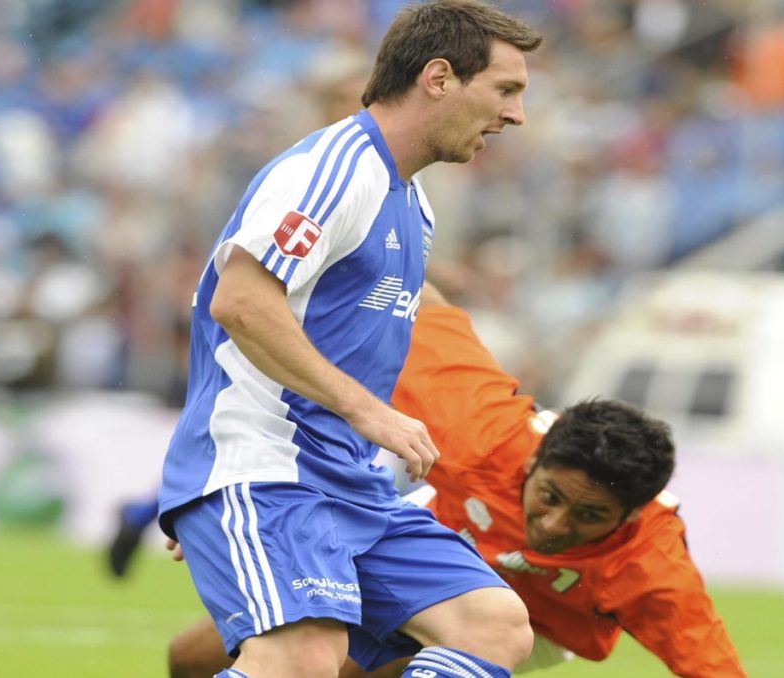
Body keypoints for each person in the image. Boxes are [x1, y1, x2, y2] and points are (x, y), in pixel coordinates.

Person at [157, 3, 543, 678]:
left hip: (348, 483)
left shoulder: (412, 203)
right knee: (304, 660)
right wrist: (225, 491)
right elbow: (240, 301)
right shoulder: (333, 170)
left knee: (493, 625)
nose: (515, 115)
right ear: (439, 77)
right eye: (505, 90)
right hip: (269, 468)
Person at [166, 283, 748, 677]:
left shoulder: (653, 569)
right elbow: (414, 297)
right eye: (549, 497)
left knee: (345, 669)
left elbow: (715, 667)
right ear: (532, 462)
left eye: (589, 518)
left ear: (630, 516)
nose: (552, 525)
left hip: (537, 623)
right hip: (427, 535)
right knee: (192, 658)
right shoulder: (480, 428)